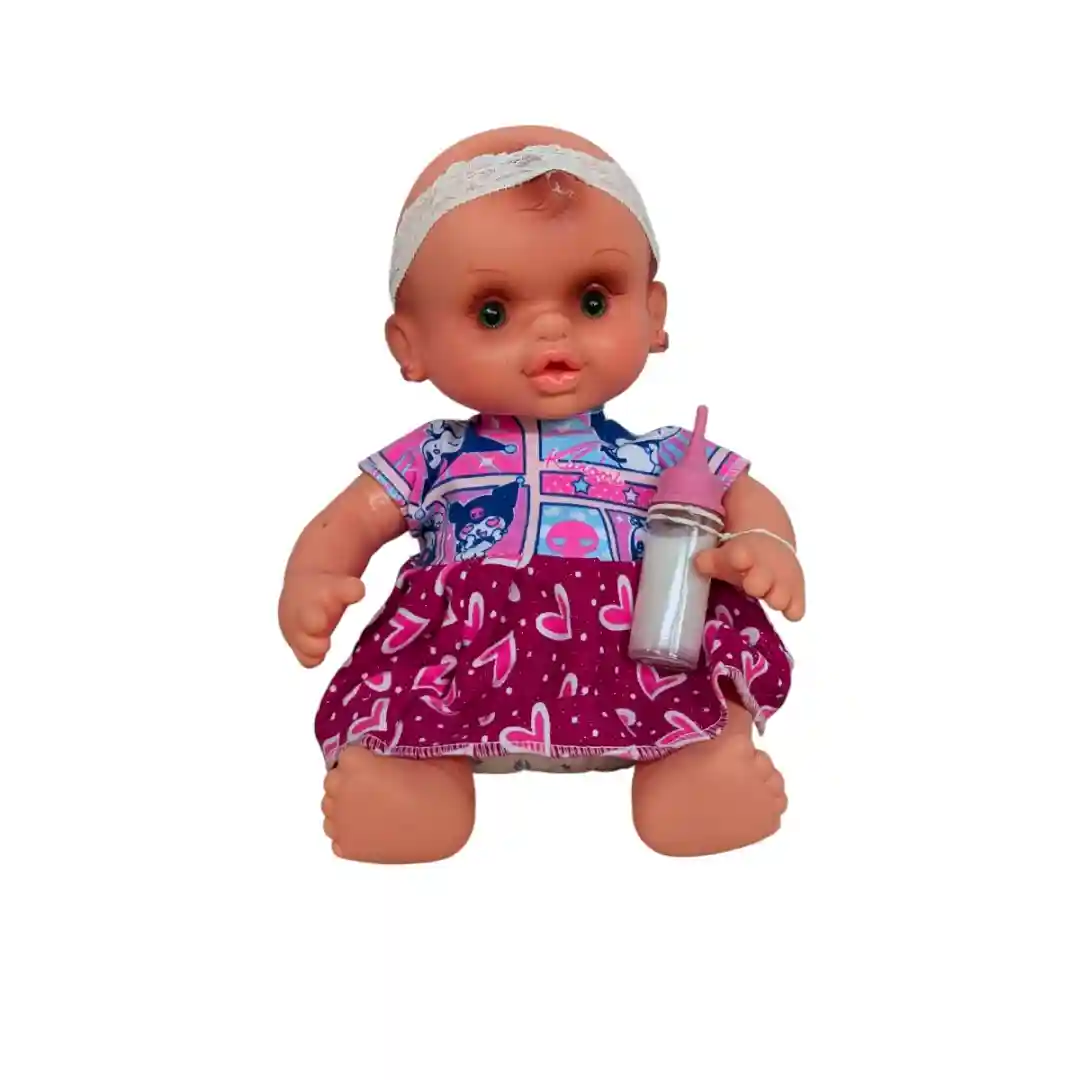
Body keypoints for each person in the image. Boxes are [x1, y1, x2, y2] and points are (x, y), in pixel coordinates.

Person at [278, 125, 805, 863]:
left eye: (592, 300)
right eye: (492, 312)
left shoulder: (666, 454)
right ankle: (406, 786)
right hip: (466, 658)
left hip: (640, 647)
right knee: (404, 711)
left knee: (699, 691)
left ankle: (699, 772)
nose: (553, 329)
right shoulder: (435, 454)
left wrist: (763, 542)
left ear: (654, 315)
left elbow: (744, 493)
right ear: (410, 345)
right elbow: (346, 523)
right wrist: (313, 577)